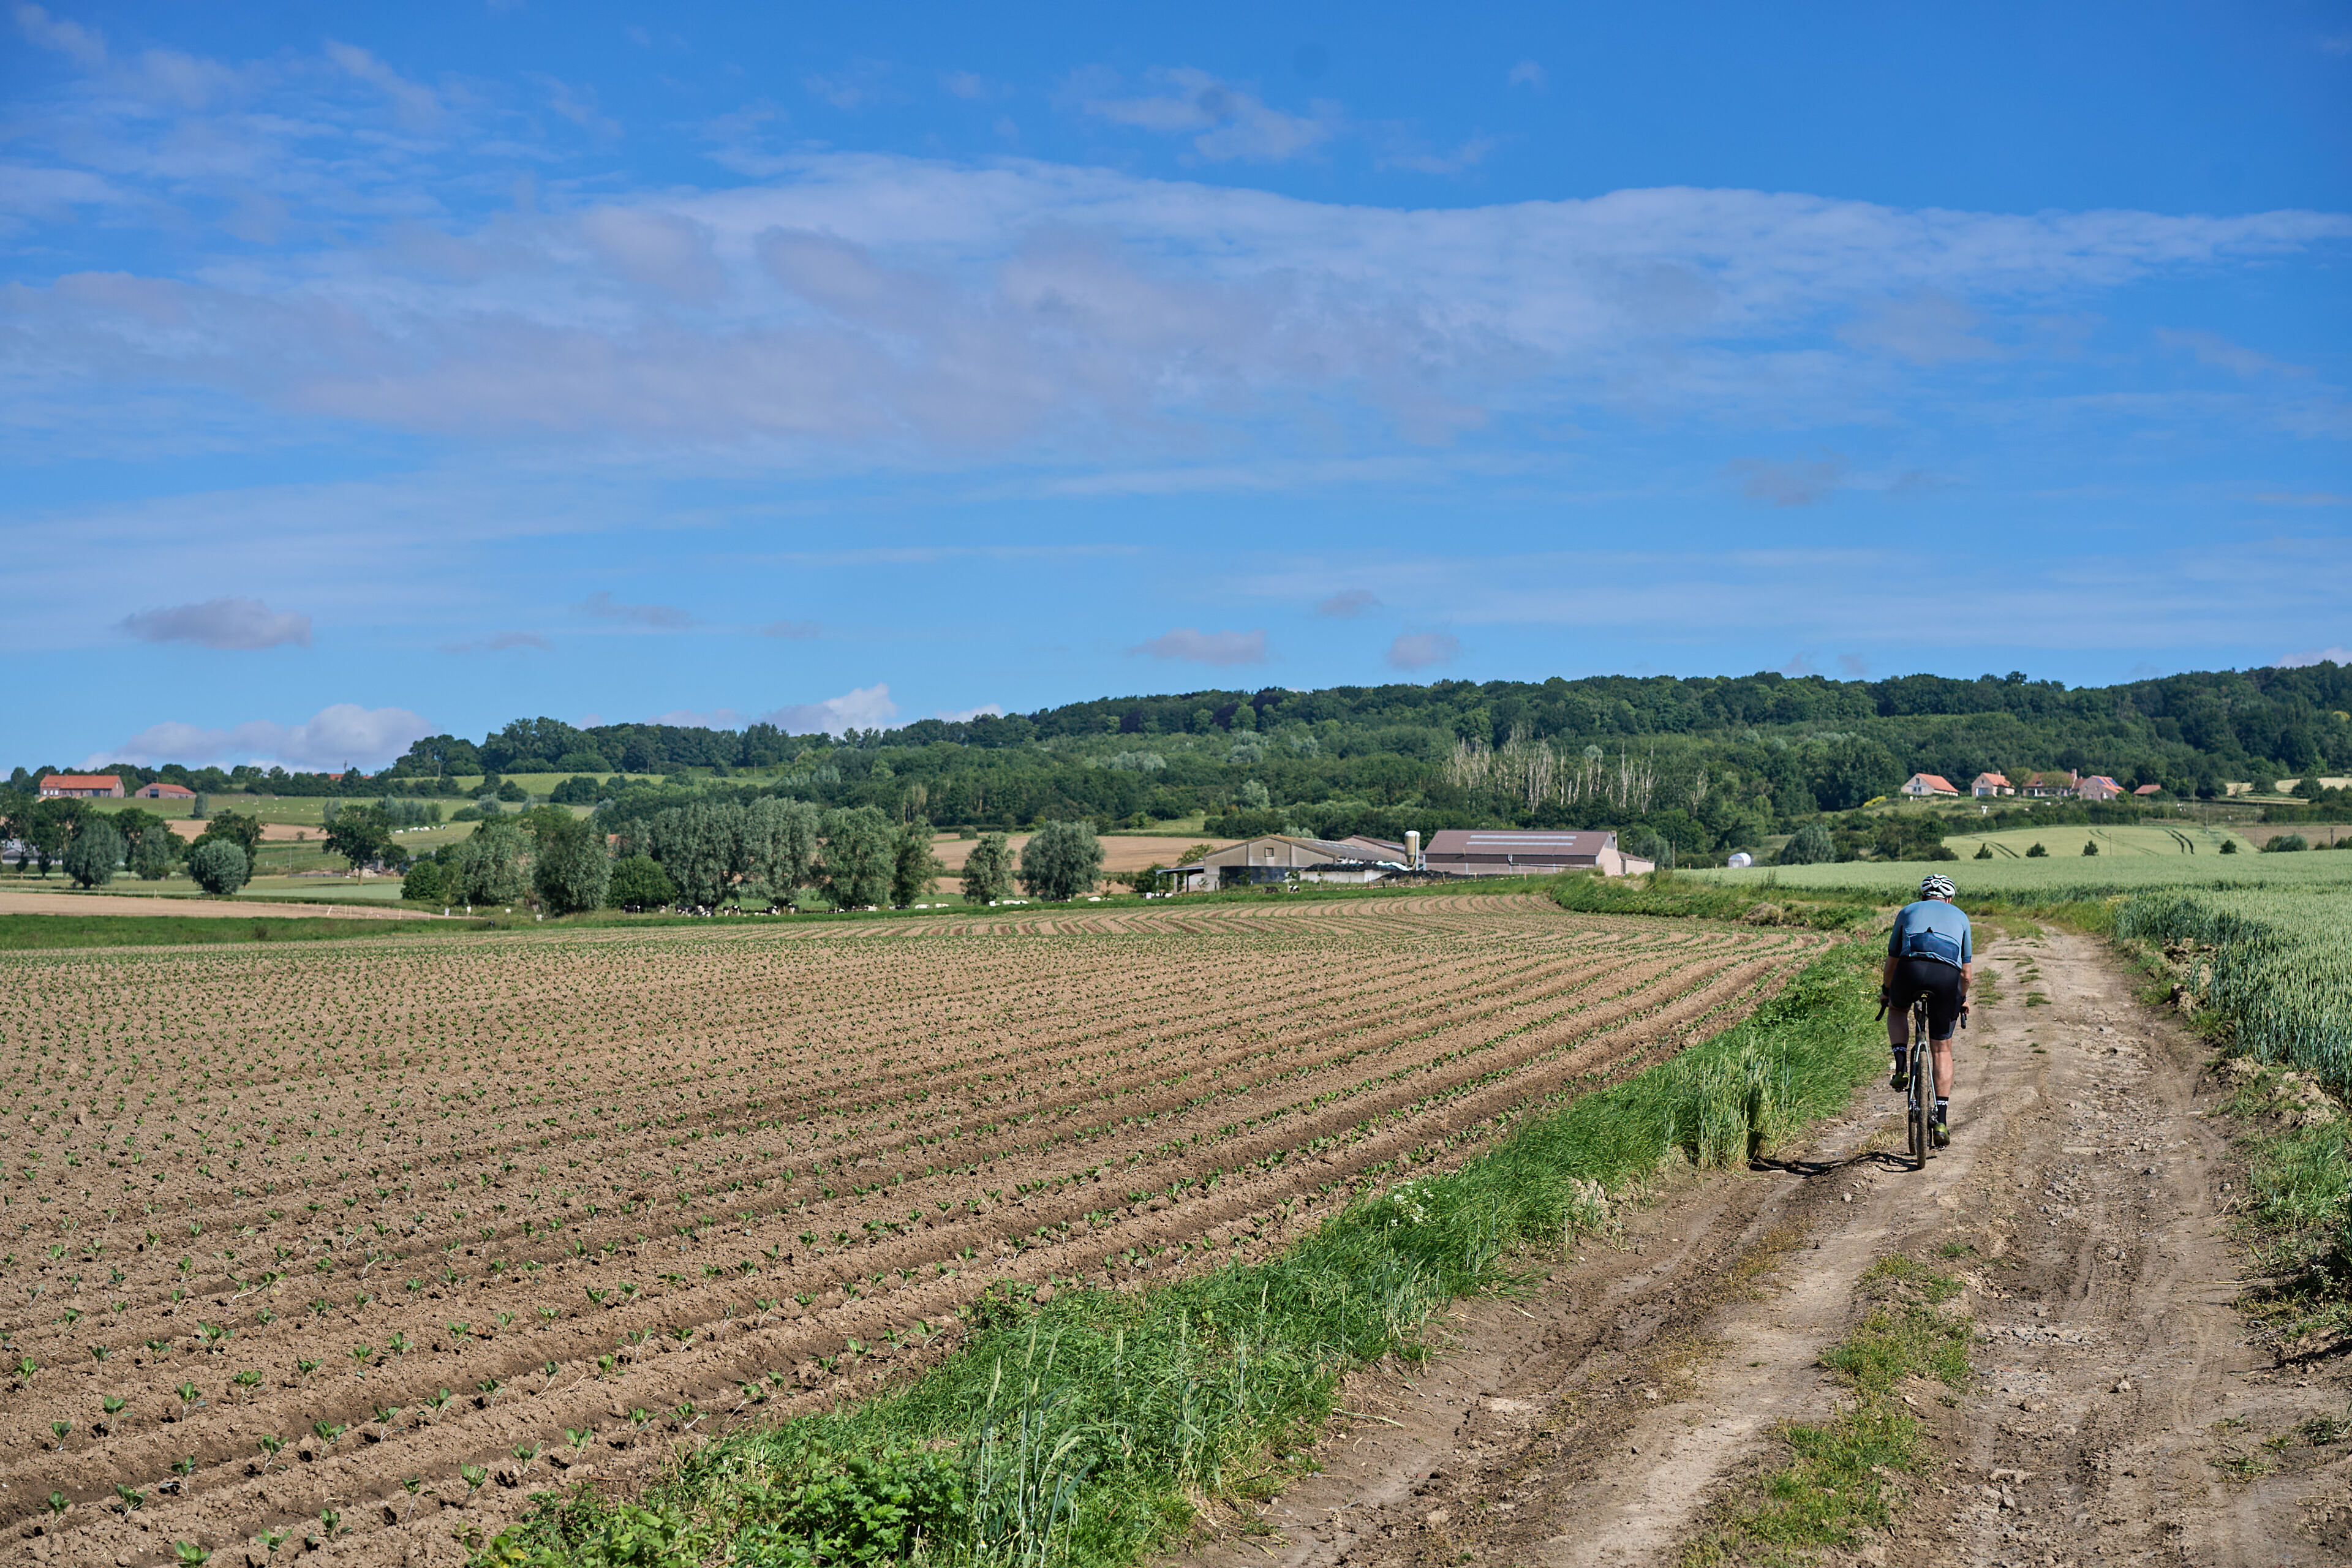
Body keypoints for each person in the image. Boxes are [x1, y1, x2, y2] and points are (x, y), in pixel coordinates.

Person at [1883, 873, 1970, 1147]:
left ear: (1923, 896)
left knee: (1897, 1010)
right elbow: (1966, 975)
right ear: (1950, 898)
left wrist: (1887, 992)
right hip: (1946, 977)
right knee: (1942, 1049)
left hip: (1910, 970)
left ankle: (1900, 1066)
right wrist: (1962, 997)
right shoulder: (1961, 916)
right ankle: (1942, 1120)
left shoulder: (1907, 912)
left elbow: (1892, 961)